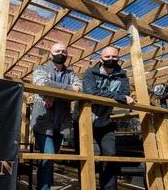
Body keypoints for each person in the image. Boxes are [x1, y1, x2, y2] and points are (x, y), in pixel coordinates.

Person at [73, 45, 136, 190]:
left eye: (114, 57)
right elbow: (91, 93)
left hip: (105, 121)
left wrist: (120, 97)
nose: (111, 59)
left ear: (118, 58)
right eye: (107, 57)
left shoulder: (122, 75)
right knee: (83, 155)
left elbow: (126, 92)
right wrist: (119, 97)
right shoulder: (90, 72)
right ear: (101, 59)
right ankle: (85, 186)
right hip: (83, 121)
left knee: (110, 156)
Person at [31, 42, 82, 190]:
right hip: (42, 123)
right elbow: (41, 84)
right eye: (57, 51)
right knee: (49, 156)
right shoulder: (41, 68)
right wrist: (67, 90)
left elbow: (80, 90)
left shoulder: (71, 73)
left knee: (49, 160)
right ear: (50, 53)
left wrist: (52, 94)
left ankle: (42, 185)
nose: (61, 53)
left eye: (64, 51)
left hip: (61, 125)